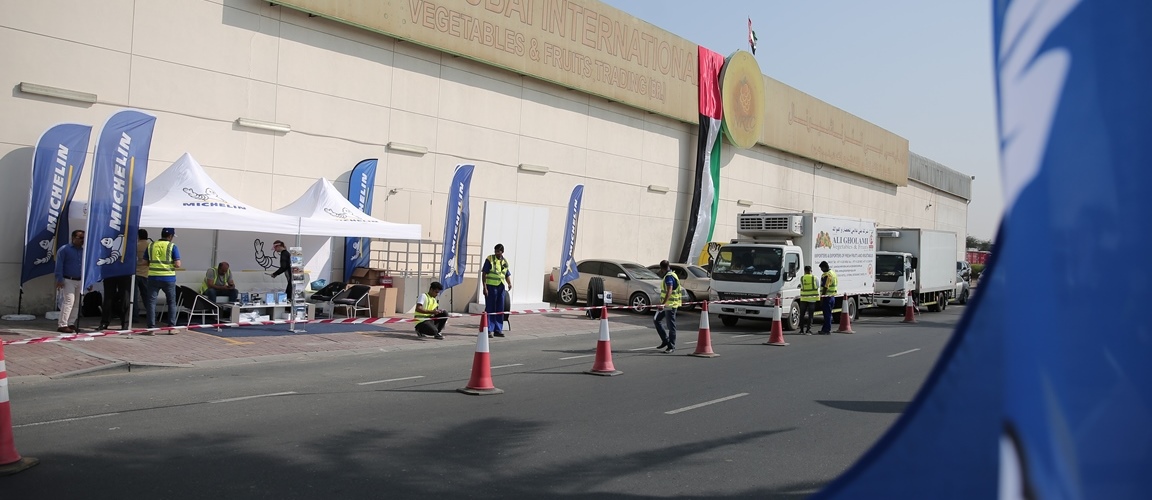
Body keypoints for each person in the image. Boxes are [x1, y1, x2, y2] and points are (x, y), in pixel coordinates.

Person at [146, 227, 182, 331]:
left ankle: (151, 328)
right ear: (170, 236)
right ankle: (171, 327)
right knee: (171, 302)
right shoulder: (172, 246)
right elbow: (178, 264)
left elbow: (144, 262)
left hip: (153, 277)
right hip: (168, 278)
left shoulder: (151, 245)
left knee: (151, 302)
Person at [53, 230, 85, 334]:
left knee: (76, 303)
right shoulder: (64, 249)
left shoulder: (83, 251)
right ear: (73, 238)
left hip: (79, 279)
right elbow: (59, 265)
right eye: (80, 238)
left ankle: (71, 323)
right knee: (69, 301)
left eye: (83, 238)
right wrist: (59, 279)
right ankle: (62, 324)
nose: (82, 240)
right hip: (68, 279)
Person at [481, 243, 511, 338]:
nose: (497, 253)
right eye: (496, 251)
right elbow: (484, 273)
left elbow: (506, 274)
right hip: (491, 287)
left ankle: (498, 329)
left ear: (502, 252)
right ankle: (489, 329)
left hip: (501, 287)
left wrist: (509, 283)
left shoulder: (505, 262)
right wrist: (484, 287)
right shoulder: (489, 259)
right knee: (490, 308)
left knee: (499, 309)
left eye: (499, 251)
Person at [653, 260, 681, 353]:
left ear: (662, 268)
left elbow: (669, 290)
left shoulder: (669, 277)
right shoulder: (672, 274)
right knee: (657, 320)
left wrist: (663, 303)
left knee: (670, 325)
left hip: (670, 305)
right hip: (667, 304)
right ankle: (665, 340)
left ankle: (671, 346)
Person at [132, 228, 151, 326]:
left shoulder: (135, 246)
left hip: (135, 273)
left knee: (134, 297)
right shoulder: (150, 245)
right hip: (146, 274)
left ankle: (134, 317)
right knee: (147, 297)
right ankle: (151, 316)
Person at [818, 260, 838, 334]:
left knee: (827, 314)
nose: (821, 270)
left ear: (824, 267)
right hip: (832, 296)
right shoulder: (833, 273)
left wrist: (822, 297)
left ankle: (826, 329)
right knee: (828, 313)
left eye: (821, 268)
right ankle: (825, 328)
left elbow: (826, 287)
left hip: (827, 297)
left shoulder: (827, 275)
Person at [798, 265, 819, 335]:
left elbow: (800, 286)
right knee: (810, 315)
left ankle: (801, 330)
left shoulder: (802, 278)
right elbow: (818, 286)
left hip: (803, 298)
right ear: (810, 271)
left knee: (802, 315)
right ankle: (808, 330)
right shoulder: (815, 278)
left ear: (805, 271)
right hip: (812, 299)